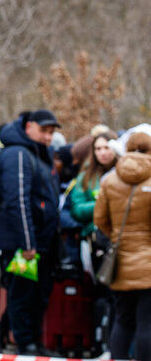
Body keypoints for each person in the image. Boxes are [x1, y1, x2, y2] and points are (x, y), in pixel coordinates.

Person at [0, 109, 61, 356]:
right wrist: (28, 243)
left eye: (52, 132)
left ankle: (29, 343)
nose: (48, 137)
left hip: (40, 241)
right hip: (23, 243)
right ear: (29, 126)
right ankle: (25, 346)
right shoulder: (18, 154)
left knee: (34, 295)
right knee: (22, 296)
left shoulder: (39, 153)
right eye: (44, 131)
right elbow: (17, 200)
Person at [94, 132, 151, 361]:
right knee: (146, 322)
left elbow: (99, 220)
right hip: (149, 265)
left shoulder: (109, 180)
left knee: (122, 319)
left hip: (119, 264)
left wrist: (118, 237)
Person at [70, 131, 118, 238]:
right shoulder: (85, 176)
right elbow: (76, 209)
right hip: (94, 234)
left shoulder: (126, 173)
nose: (102, 153)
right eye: (98, 149)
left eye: (107, 147)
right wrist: (101, 203)